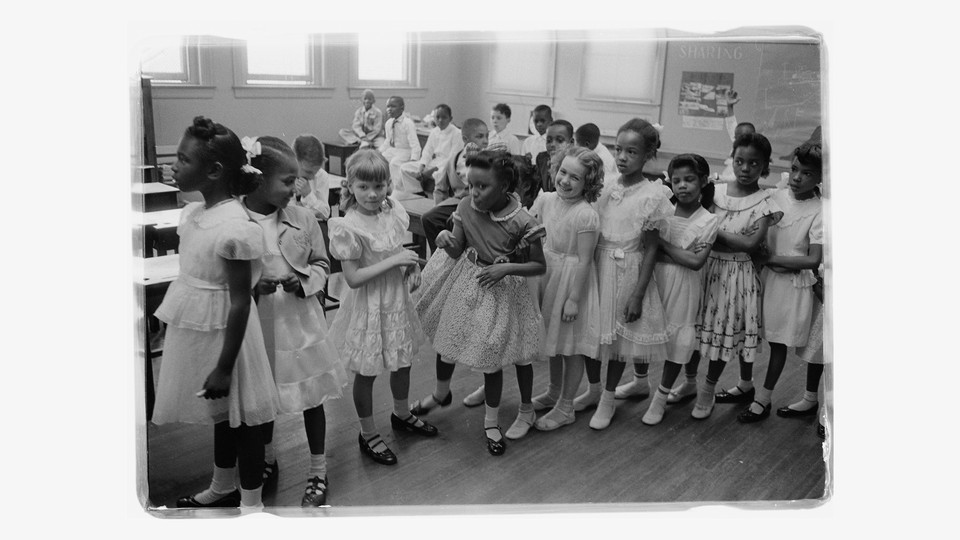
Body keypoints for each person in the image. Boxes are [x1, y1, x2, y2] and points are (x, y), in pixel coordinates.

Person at [152, 116, 279, 513]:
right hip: (202, 330)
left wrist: (225, 367)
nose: (174, 166)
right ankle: (222, 485)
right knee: (221, 414)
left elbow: (241, 301)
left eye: (183, 160)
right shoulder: (192, 215)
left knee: (244, 423)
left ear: (214, 171)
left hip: (231, 338)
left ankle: (252, 509)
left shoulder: (235, 227)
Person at [413, 151, 547, 454]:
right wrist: (446, 239)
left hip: (503, 290)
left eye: (482, 186)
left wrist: (506, 267)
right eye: (470, 184)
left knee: (492, 355)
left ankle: (491, 421)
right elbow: (458, 248)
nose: (473, 192)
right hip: (467, 281)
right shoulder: (465, 206)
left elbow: (540, 266)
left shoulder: (523, 220)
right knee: (448, 337)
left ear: (504, 186)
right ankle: (441, 392)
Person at [240, 136, 348, 507]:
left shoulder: (303, 218)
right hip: (257, 324)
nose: (295, 188)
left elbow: (322, 264)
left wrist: (302, 281)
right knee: (264, 395)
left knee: (310, 395)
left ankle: (318, 468)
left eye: (296, 180)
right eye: (287, 181)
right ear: (257, 179)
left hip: (299, 322)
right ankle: (268, 458)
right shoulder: (238, 220)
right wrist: (254, 286)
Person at [327, 149, 437, 466]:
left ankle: (401, 414)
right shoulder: (347, 225)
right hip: (368, 304)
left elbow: (398, 250)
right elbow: (353, 278)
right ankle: (368, 432)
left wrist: (411, 268)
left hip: (395, 298)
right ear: (350, 186)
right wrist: (396, 261)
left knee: (402, 362)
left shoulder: (392, 210)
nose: (373, 194)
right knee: (367, 369)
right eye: (364, 187)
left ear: (389, 184)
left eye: (379, 186)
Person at [574, 118, 672, 430]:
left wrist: (639, 293)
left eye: (632, 152)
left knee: (615, 341)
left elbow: (652, 248)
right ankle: (593, 389)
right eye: (619, 149)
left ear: (648, 156)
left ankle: (608, 396)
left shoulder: (653, 195)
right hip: (597, 266)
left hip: (627, 268)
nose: (623, 157)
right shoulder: (604, 187)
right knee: (592, 332)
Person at [691, 133, 783, 419]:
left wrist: (712, 229)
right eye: (740, 161)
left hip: (737, 275)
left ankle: (707, 390)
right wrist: (717, 233)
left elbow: (749, 245)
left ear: (764, 167)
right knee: (694, 330)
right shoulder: (714, 191)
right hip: (706, 267)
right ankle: (687, 382)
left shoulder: (765, 201)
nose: (745, 169)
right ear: (732, 159)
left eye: (753, 163)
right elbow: (693, 224)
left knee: (724, 332)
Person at [737, 142, 823, 423]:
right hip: (762, 278)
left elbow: (812, 260)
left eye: (807, 174)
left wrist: (771, 259)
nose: (797, 177)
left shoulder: (820, 209)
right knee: (749, 332)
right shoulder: (774, 196)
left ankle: (763, 398)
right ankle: (744, 384)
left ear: (821, 178)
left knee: (777, 342)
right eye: (795, 170)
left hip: (789, 285)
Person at [526, 147, 604, 431]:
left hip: (572, 281)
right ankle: (553, 390)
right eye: (563, 172)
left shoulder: (586, 215)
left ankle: (566, 406)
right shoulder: (546, 199)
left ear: (588, 184)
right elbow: (533, 229)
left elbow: (585, 260)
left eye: (576, 177)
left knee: (571, 347)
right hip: (548, 273)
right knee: (555, 342)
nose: (566, 181)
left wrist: (573, 299)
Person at [640, 154, 720, 425]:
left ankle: (661, 397)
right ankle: (641, 381)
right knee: (646, 330)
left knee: (677, 339)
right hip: (656, 279)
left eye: (689, 180)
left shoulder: (708, 220)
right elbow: (645, 250)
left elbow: (696, 262)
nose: (682, 186)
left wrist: (662, 246)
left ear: (703, 182)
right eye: (676, 180)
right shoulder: (662, 210)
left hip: (685, 286)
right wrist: (674, 252)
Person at [422, 118, 489, 253]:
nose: (486, 141)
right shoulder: (453, 160)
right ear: (465, 139)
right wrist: (438, 205)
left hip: (480, 206)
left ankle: (459, 255)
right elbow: (440, 189)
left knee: (454, 221)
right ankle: (439, 255)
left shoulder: (490, 160)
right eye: (480, 136)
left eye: (487, 136)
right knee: (429, 218)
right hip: (455, 203)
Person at [400, 104, 463, 195]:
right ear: (434, 118)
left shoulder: (457, 133)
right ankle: (417, 191)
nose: (440, 120)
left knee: (440, 173)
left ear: (450, 118)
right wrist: (422, 166)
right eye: (437, 117)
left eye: (444, 117)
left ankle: (440, 196)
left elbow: (452, 157)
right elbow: (427, 151)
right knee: (405, 167)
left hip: (447, 165)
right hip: (435, 162)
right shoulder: (434, 131)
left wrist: (432, 170)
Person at [378, 96, 422, 190]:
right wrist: (379, 151)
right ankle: (385, 186)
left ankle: (398, 189)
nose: (389, 109)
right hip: (394, 150)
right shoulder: (389, 123)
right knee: (381, 160)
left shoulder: (407, 123)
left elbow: (415, 144)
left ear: (402, 108)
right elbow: (388, 141)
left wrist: (414, 159)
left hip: (406, 151)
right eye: (388, 106)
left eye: (393, 106)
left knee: (394, 163)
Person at [292, 134, 332, 220]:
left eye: (315, 172)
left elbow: (325, 213)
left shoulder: (321, 176)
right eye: (308, 172)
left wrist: (308, 195)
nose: (312, 177)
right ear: (294, 160)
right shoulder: (284, 175)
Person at [535, 120, 575, 193]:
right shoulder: (542, 158)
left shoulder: (575, 164)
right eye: (549, 140)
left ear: (571, 142)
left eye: (559, 140)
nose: (552, 144)